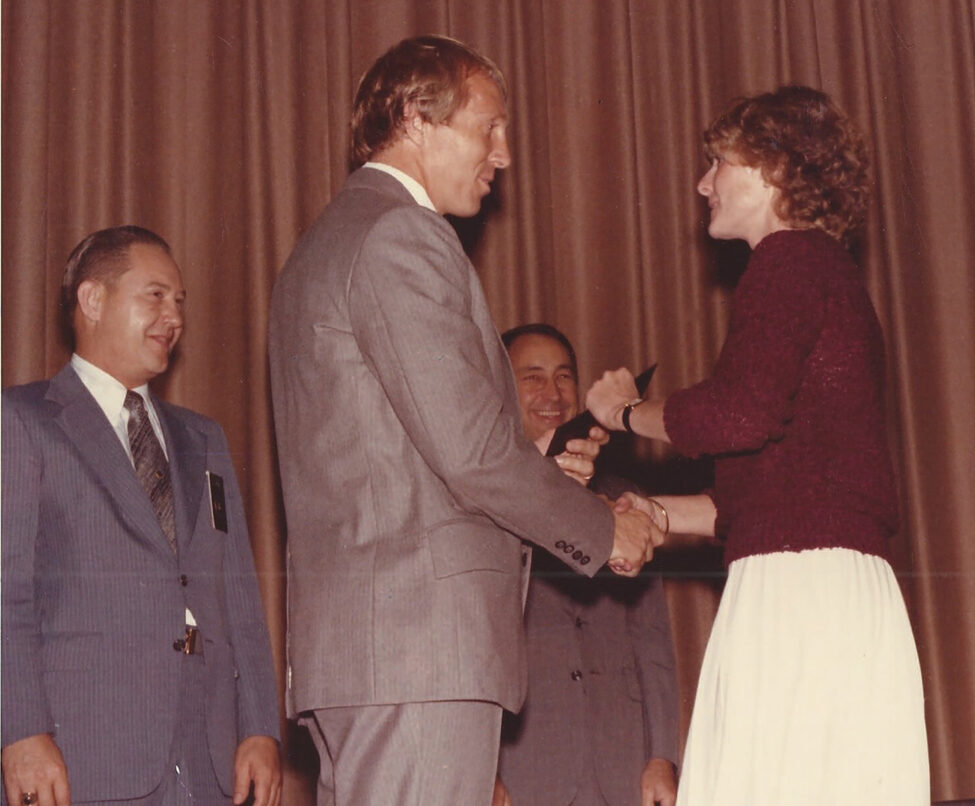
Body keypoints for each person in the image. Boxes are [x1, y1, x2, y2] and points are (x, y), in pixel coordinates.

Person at [267, 36, 659, 806]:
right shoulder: (401, 235)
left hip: (375, 654)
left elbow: (402, 461)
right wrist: (602, 528)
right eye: (490, 127)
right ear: (416, 117)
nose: (504, 155)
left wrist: (539, 476)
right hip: (418, 653)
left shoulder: (329, 244)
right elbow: (474, 457)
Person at [587, 86, 930, 804]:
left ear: (774, 166)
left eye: (718, 162)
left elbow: (736, 416)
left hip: (799, 596)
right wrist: (648, 509)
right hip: (828, 589)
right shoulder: (825, 273)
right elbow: (753, 498)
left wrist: (625, 413)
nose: (702, 183)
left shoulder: (786, 263)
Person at [1, 226, 281, 806]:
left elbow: (240, 600)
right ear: (93, 300)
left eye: (179, 301)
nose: (172, 316)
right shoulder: (22, 420)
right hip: (82, 759)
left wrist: (259, 728)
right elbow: (7, 595)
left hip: (206, 763)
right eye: (154, 296)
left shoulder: (204, 436)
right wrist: (22, 731)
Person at [492, 324, 680, 806]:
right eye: (532, 377)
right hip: (523, 767)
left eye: (563, 376)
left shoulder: (622, 500)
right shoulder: (485, 504)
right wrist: (481, 769)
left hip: (619, 764)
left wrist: (662, 756)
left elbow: (652, 639)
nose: (551, 392)